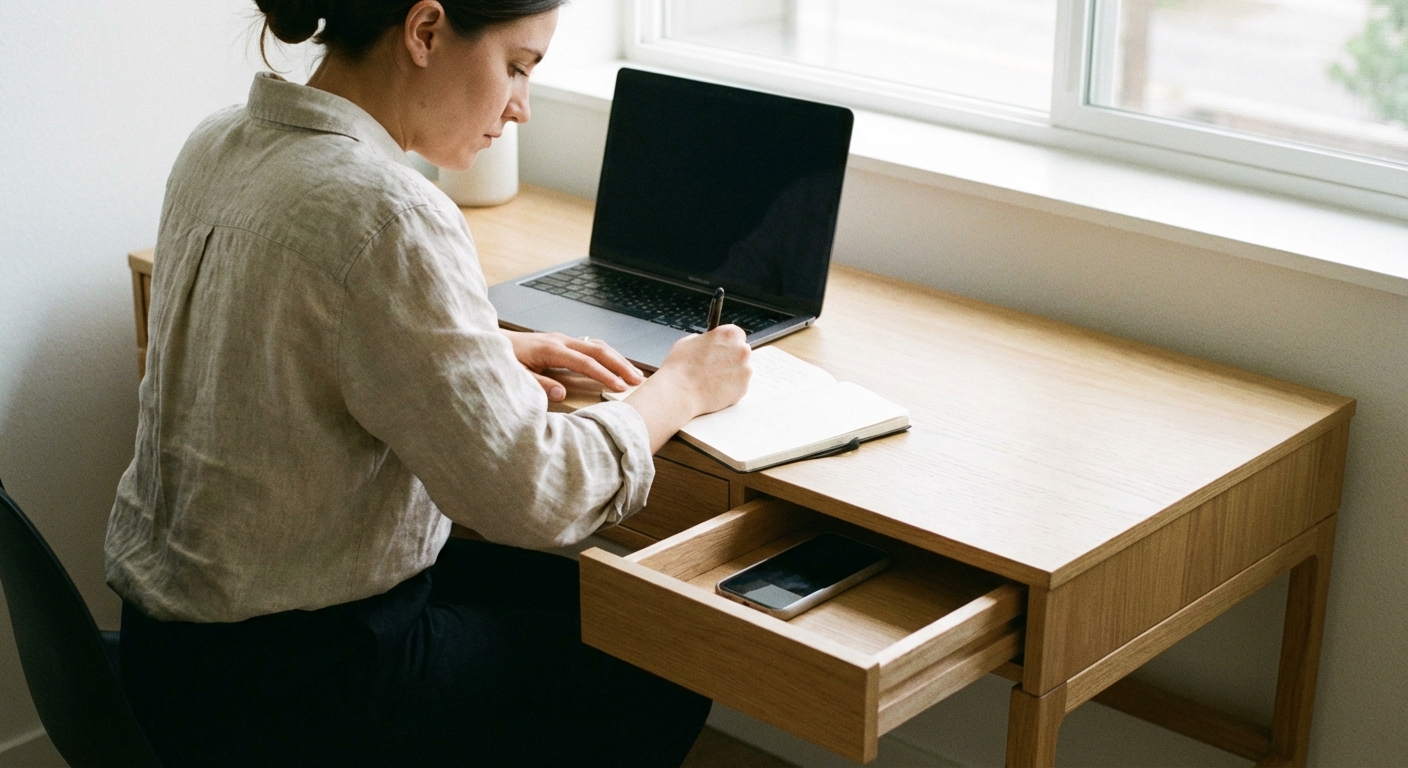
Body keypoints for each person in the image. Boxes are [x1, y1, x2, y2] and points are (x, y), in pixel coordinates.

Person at [104, 1, 753, 765]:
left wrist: (472, 356)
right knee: (665, 649)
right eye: (516, 66)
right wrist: (679, 388)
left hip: (170, 657)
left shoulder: (219, 142)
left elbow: (276, 347)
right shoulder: (389, 211)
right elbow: (538, 496)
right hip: (294, 693)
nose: (522, 108)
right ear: (424, 31)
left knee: (593, 604)